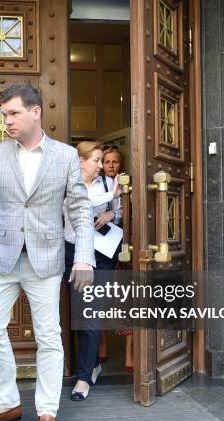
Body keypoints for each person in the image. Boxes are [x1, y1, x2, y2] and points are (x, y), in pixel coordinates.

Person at [0, 83, 95, 421]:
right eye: (4, 115)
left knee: (49, 337)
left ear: (36, 111)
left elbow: (81, 212)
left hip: (46, 261)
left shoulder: (66, 156)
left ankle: (47, 412)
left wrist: (84, 256)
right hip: (4, 259)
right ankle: (7, 404)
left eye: (13, 113)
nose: (7, 121)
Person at [64, 141, 122, 401]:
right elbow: (79, 205)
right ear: (80, 161)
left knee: (92, 313)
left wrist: (112, 214)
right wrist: (111, 198)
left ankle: (84, 377)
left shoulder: (108, 184)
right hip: (74, 254)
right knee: (80, 313)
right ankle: (92, 364)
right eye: (96, 160)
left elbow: (120, 212)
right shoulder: (67, 184)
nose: (101, 166)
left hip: (102, 254)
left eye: (102, 160)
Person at [102, 145, 134, 372]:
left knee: (125, 300)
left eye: (115, 161)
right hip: (99, 248)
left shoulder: (127, 183)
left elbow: (130, 211)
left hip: (122, 246)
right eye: (107, 162)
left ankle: (130, 352)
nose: (111, 165)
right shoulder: (95, 184)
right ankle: (101, 345)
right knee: (101, 297)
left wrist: (115, 213)